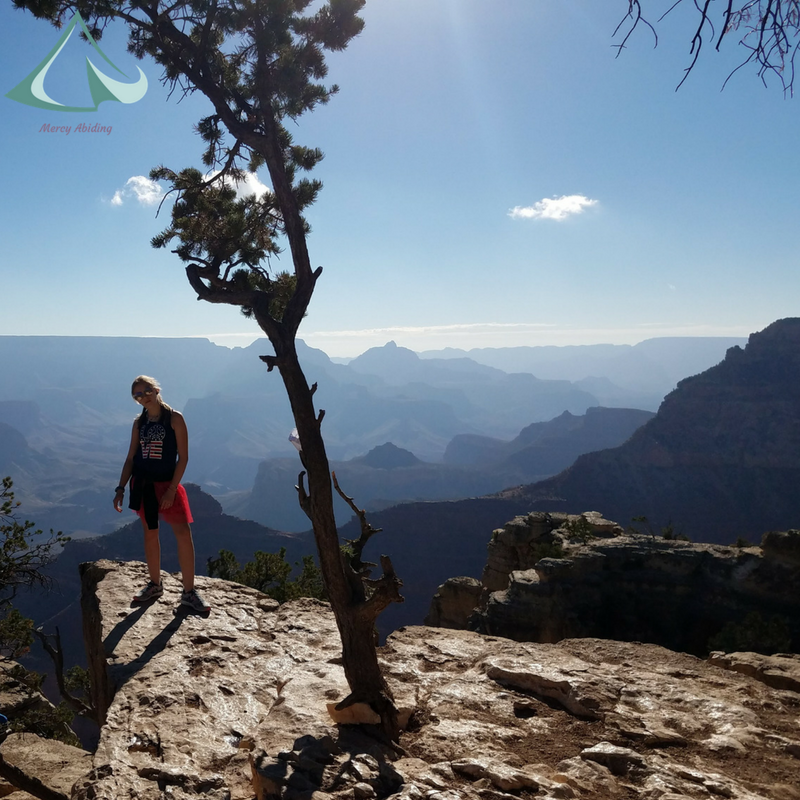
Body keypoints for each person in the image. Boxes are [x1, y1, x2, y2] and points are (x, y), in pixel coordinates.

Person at [113, 376, 209, 613]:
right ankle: (155, 584)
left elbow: (183, 458)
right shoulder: (139, 422)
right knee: (150, 534)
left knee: (183, 535)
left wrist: (171, 490)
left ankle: (189, 592)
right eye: (137, 395)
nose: (143, 397)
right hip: (143, 484)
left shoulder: (174, 418)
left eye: (146, 391)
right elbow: (130, 458)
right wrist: (120, 488)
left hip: (168, 485)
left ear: (156, 390)